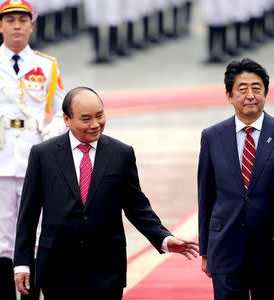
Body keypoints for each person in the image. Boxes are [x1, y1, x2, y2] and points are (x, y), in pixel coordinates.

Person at [14, 87, 199, 299]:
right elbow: (28, 214)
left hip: (106, 269)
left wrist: (164, 238)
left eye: (100, 115)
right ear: (67, 119)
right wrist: (22, 263)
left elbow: (137, 207)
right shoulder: (43, 155)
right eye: (86, 119)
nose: (95, 124)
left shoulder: (121, 154)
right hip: (58, 267)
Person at [0, 0, 66, 299]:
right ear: (0, 25)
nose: (17, 25)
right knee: (1, 240)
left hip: (35, 160)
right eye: (10, 20)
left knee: (35, 237)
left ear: (32, 25)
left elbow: (63, 110)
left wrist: (52, 131)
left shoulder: (48, 66)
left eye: (23, 20)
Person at [197, 58, 274, 300]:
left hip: (273, 248)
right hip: (226, 249)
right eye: (242, 89)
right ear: (229, 96)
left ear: (266, 93)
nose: (250, 95)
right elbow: (206, 195)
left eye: (256, 88)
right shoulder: (212, 136)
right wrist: (206, 250)